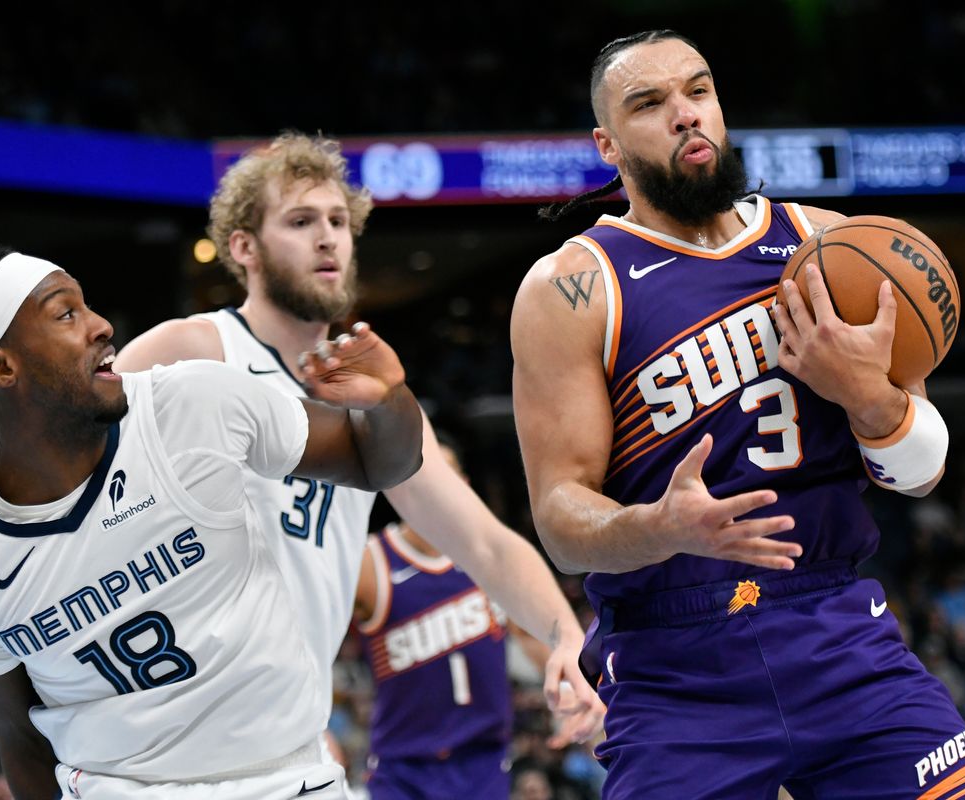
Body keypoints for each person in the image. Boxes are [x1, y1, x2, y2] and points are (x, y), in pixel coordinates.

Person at [510, 29, 965, 799]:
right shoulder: (572, 288)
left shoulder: (829, 243)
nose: (685, 113)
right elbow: (558, 517)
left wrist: (867, 395)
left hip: (837, 629)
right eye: (649, 103)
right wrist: (659, 527)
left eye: (699, 90)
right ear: (607, 145)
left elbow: (923, 471)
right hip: (674, 668)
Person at [112, 133, 605, 760]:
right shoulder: (189, 350)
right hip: (167, 732)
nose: (328, 238)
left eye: (338, 222)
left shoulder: (376, 401)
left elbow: (483, 543)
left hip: (290, 738)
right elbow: (64, 482)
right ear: (243, 247)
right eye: (300, 221)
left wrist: (565, 637)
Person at [0, 245, 426, 799]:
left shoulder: (192, 404)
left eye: (87, 306)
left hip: (288, 780)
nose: (101, 326)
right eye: (65, 314)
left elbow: (374, 462)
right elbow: (21, 735)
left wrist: (387, 401)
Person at [351, 440, 584, 800]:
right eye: (419, 474)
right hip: (403, 766)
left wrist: (568, 690)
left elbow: (529, 635)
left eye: (443, 475)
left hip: (484, 759)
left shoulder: (488, 557)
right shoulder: (372, 563)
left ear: (462, 484)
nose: (432, 487)